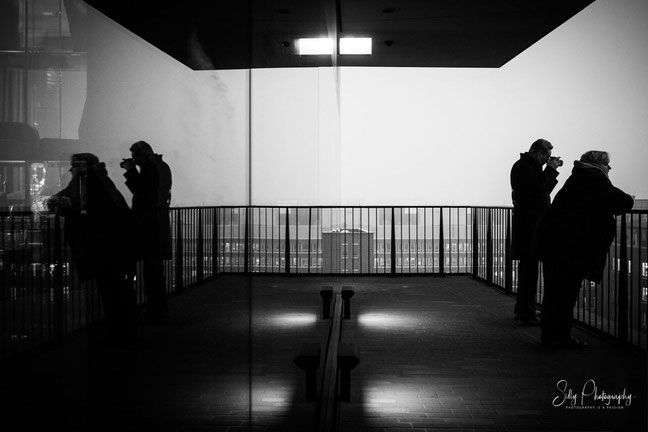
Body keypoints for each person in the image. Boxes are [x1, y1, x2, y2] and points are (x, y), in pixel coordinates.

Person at [535, 151, 633, 348]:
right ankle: (561, 337)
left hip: (557, 243)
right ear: (598, 164)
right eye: (607, 164)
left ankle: (550, 336)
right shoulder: (594, 178)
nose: (609, 168)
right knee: (566, 293)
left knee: (555, 292)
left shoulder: (578, 177)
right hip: (570, 246)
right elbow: (622, 201)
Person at [48, 153, 138, 345]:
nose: (71, 169)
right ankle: (123, 330)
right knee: (115, 288)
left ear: (83, 167)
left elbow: (79, 207)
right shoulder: (100, 182)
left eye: (75, 165)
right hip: (112, 245)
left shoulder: (87, 184)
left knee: (111, 289)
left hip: (102, 246)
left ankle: (119, 332)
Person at [510, 139, 562, 325]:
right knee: (529, 271)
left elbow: (541, 190)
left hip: (528, 225)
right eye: (546, 156)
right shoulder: (525, 168)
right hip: (529, 226)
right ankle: (526, 311)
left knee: (528, 270)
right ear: (537, 153)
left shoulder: (524, 166)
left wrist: (548, 171)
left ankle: (525, 309)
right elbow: (541, 191)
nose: (547, 159)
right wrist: (551, 170)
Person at [122, 141, 172, 324]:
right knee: (155, 270)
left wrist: (130, 170)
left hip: (150, 223)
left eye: (136, 156)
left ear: (144, 154)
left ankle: (156, 310)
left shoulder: (150, 168)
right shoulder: (160, 166)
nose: (134, 160)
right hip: (157, 221)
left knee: (152, 270)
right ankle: (158, 308)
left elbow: (142, 192)